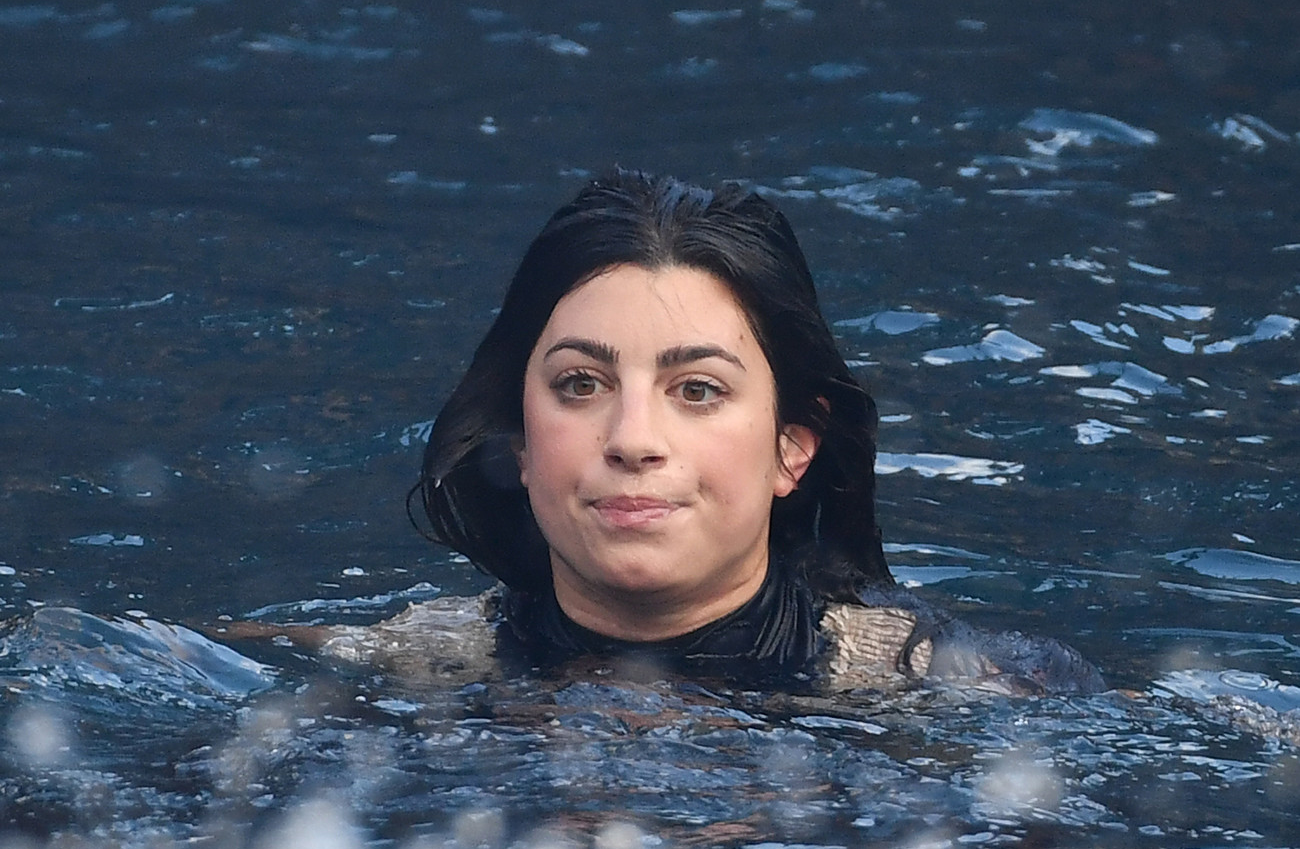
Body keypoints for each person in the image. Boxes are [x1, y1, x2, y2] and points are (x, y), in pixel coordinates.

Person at [261, 171, 1101, 695]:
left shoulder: (957, 689)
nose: (633, 439)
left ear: (793, 447)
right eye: (580, 385)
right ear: (520, 440)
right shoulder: (413, 661)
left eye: (697, 390)